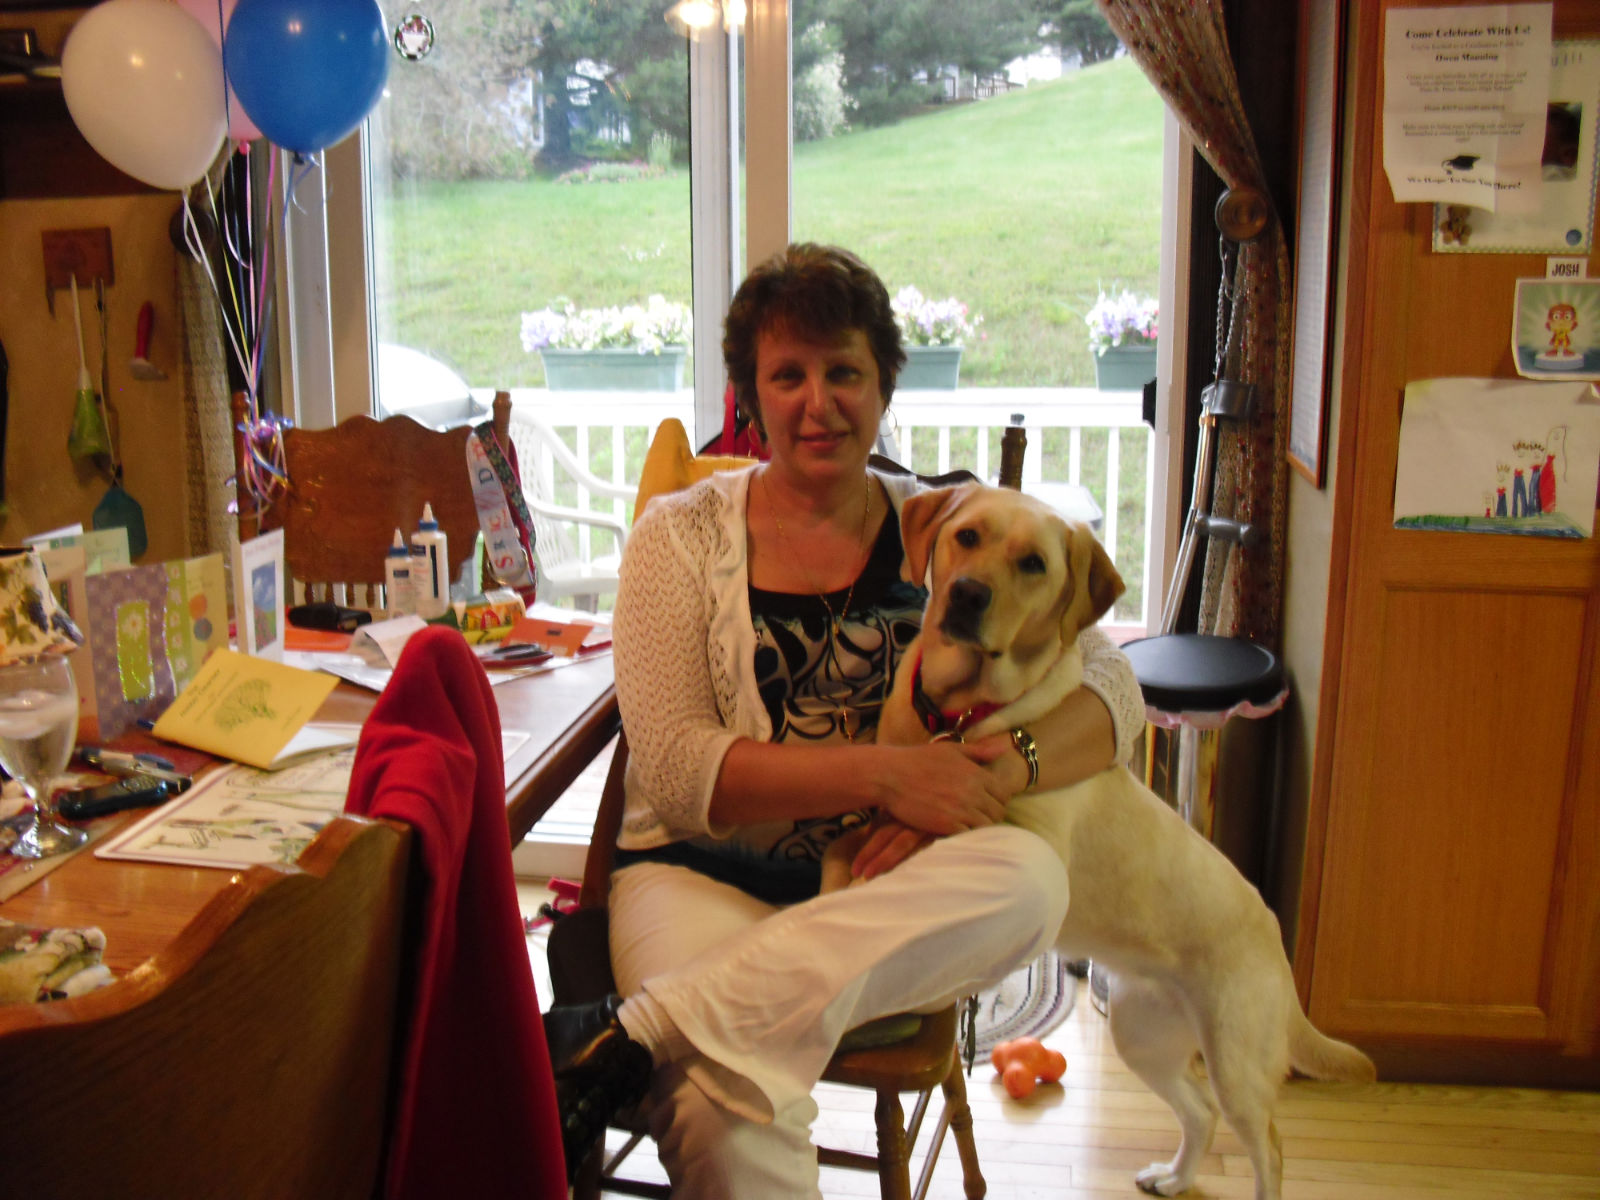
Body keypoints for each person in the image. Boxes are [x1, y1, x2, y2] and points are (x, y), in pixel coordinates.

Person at [544, 243, 1145, 1196]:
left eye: (845, 373)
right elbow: (679, 772)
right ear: (751, 394)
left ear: (883, 385)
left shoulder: (949, 526)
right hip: (698, 875)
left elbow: (1116, 687)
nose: (817, 403)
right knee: (720, 1113)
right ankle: (692, 1028)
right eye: (787, 375)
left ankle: (641, 1028)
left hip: (886, 891)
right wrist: (892, 777)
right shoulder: (677, 537)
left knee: (1034, 884)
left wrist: (1004, 768)